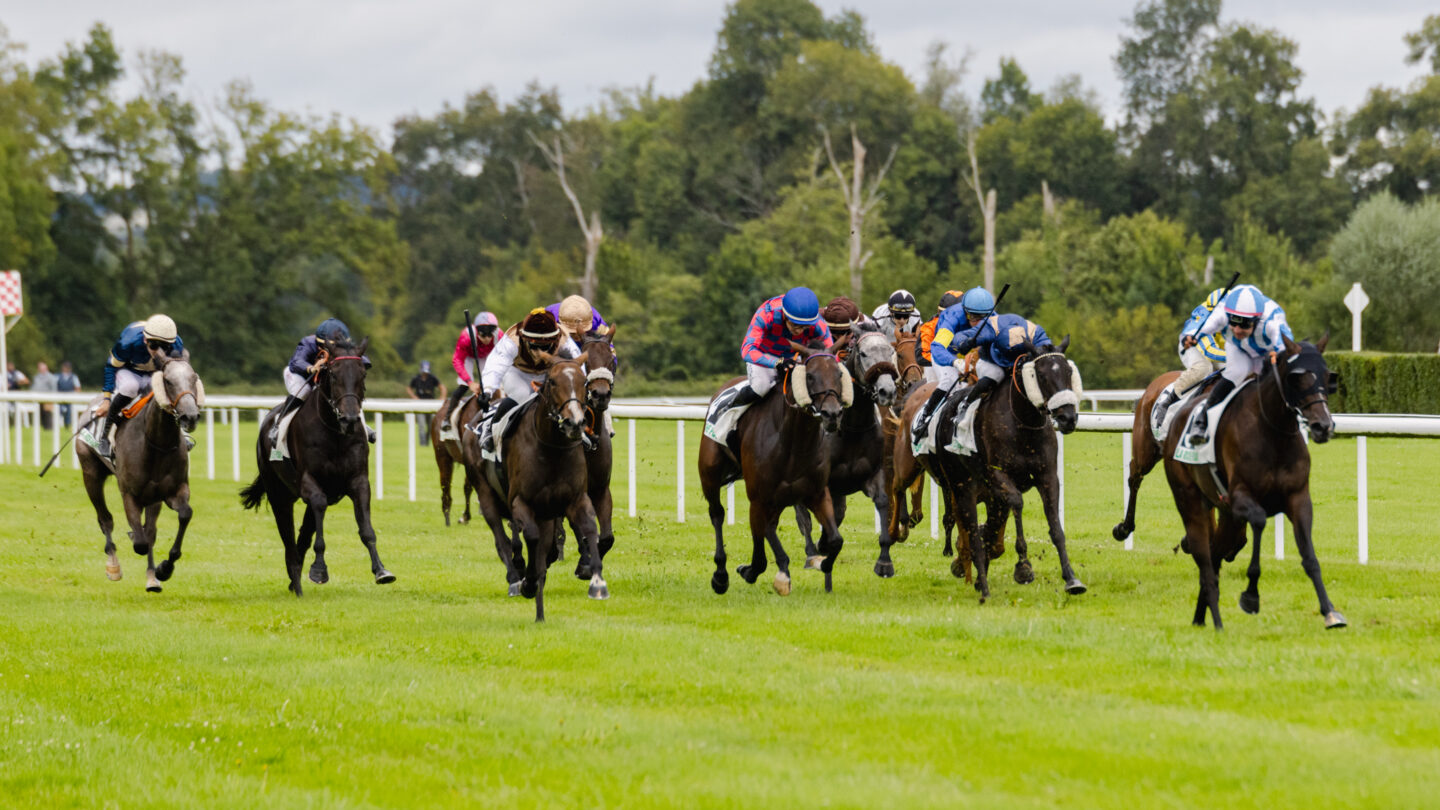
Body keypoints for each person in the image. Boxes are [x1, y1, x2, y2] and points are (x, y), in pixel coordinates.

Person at [920, 287, 1054, 427]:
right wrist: (954, 361)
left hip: (971, 352)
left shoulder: (992, 318)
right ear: (965, 312)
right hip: (947, 353)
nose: (979, 323)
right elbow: (937, 348)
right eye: (973, 317)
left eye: (982, 317)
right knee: (950, 380)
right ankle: (925, 414)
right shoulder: (951, 319)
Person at [1184, 284, 1293, 440]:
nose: (1236, 329)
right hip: (1224, 352)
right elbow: (1208, 347)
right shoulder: (1213, 317)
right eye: (1233, 322)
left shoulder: (1271, 320)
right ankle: (1199, 418)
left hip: (1256, 351)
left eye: (1243, 324)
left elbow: (1284, 347)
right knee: (1220, 371)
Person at [479, 308, 581, 452]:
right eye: (533, 346)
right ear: (525, 338)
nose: (538, 353)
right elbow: (495, 365)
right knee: (525, 397)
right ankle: (489, 427)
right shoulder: (513, 338)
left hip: (547, 373)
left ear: (554, 340)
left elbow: (577, 367)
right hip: (517, 373)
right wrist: (488, 390)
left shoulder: (564, 339)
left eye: (545, 347)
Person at [85, 314, 186, 460]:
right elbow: (110, 367)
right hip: (129, 371)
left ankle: (182, 433)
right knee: (130, 387)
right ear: (145, 340)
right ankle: (104, 436)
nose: (158, 351)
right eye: (154, 345)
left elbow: (175, 374)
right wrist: (107, 399)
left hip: (154, 373)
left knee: (168, 390)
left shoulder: (177, 344)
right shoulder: (128, 342)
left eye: (164, 346)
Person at [730, 287, 833, 410]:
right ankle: (728, 412)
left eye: (804, 327)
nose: (799, 331)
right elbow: (747, 350)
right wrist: (777, 362)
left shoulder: (818, 324)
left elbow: (830, 355)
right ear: (785, 315)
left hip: (794, 357)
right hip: (763, 355)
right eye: (795, 325)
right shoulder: (766, 314)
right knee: (761, 387)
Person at [274, 317, 374, 444]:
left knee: (347, 394)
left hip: (324, 379)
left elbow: (365, 360)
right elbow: (296, 362)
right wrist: (312, 368)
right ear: (320, 344)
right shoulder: (307, 343)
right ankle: (279, 425)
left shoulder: (346, 349)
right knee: (304, 391)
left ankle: (363, 427)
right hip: (299, 375)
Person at [1153, 288, 1228, 425]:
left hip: (1217, 348)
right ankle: (1168, 401)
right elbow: (1210, 350)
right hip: (1192, 345)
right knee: (1204, 367)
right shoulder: (1205, 319)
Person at [439, 311, 507, 433]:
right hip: (469, 356)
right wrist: (470, 382)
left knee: (496, 383)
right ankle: (447, 418)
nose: (486, 339)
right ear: (477, 332)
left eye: (489, 335)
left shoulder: (500, 336)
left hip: (489, 355)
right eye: (483, 335)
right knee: (463, 386)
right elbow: (457, 360)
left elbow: (503, 359)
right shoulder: (466, 337)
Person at [918, 290, 964, 383]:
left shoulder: (971, 324)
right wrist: (949, 360)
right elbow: (921, 356)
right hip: (937, 369)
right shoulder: (929, 327)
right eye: (943, 315)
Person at [407, 360, 445, 445]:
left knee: (431, 425)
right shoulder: (416, 379)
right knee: (421, 426)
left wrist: (442, 397)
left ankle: (428, 442)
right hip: (419, 405)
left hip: (430, 404)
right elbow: (409, 388)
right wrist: (414, 397)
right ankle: (423, 444)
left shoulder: (432, 378)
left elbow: (442, 387)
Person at [31, 361, 57, 430]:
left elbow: (54, 388)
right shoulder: (36, 377)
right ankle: (42, 426)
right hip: (38, 398)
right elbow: (34, 387)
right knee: (40, 413)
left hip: (48, 398)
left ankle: (48, 427)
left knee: (47, 413)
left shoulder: (51, 377)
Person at [56, 361, 81, 428]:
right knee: (59, 409)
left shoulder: (74, 377)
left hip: (71, 397)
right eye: (65, 367)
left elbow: (77, 388)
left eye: (68, 367)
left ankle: (68, 424)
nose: (67, 368)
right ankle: (59, 424)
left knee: (70, 410)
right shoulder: (57, 376)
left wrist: (76, 397)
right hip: (59, 397)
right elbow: (54, 387)